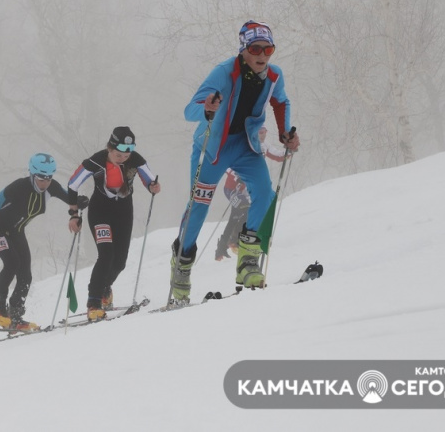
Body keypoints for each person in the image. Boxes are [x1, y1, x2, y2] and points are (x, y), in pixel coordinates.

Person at [171, 20, 299, 301]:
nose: (262, 55)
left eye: (269, 49)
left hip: (245, 144)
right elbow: (189, 110)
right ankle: (181, 266)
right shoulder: (224, 72)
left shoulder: (274, 76)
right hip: (213, 148)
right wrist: (206, 108)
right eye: (256, 48)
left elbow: (281, 102)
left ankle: (247, 261)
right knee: (200, 207)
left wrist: (285, 133)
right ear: (243, 49)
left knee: (264, 193)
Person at [0, 153, 86, 332]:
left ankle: (16, 316)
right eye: (41, 179)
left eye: (49, 179)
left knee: (26, 275)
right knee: (12, 263)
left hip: (17, 231)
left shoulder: (52, 187)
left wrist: (78, 202)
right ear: (32, 174)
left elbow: (70, 199)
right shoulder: (18, 187)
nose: (45, 183)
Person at [67, 126, 161, 320]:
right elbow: (73, 184)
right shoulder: (96, 161)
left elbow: (151, 181)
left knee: (120, 261)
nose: (123, 158)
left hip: (123, 214)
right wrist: (74, 214)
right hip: (100, 213)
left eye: (126, 155)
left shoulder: (136, 159)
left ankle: (104, 289)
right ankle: (93, 303)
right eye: (118, 155)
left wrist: (154, 187)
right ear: (109, 148)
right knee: (106, 254)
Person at [214, 127, 286, 261]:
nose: (262, 135)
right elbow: (226, 164)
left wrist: (288, 150)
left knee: (240, 213)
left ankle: (224, 246)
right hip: (232, 188)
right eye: (259, 132)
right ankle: (234, 241)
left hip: (246, 188)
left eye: (264, 132)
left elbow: (278, 155)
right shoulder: (244, 144)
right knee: (243, 210)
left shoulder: (264, 146)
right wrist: (238, 175)